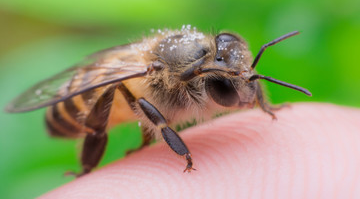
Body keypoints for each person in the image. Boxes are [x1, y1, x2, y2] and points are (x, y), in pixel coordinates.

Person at [40, 103, 360, 198]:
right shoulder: (167, 78)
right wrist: (162, 132)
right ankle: (86, 169)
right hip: (79, 106)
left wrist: (264, 106)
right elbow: (142, 101)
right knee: (127, 95)